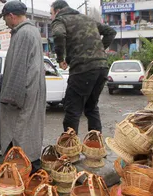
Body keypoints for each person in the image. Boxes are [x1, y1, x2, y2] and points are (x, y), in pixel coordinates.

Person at [50, 0, 116, 134]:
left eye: (51, 13)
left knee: (72, 109)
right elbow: (110, 32)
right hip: (102, 67)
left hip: (83, 69)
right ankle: (96, 145)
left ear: (57, 11)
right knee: (91, 107)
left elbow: (58, 34)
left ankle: (69, 147)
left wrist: (60, 58)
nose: (51, 17)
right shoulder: (87, 19)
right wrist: (99, 51)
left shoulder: (60, 20)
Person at [0, 1, 46, 174]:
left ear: (11, 15)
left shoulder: (23, 33)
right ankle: (29, 169)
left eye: (5, 18)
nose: (5, 22)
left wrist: (10, 99)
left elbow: (18, 69)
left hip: (23, 95)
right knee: (28, 130)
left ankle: (27, 173)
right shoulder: (30, 30)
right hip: (31, 91)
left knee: (20, 132)